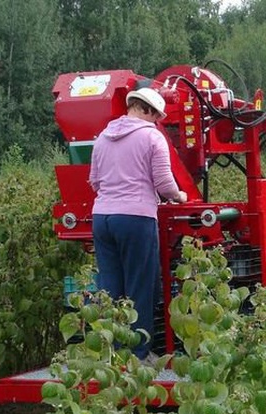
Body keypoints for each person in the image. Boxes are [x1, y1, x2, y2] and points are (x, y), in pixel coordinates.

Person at [88, 87, 187, 362]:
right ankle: (138, 354)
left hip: (102, 219)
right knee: (140, 286)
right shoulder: (151, 137)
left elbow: (94, 181)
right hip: (135, 218)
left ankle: (111, 352)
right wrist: (179, 196)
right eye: (155, 116)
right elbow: (165, 184)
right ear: (146, 110)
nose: (156, 122)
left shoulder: (103, 138)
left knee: (110, 287)